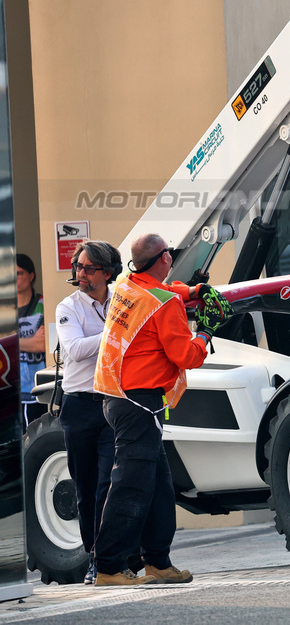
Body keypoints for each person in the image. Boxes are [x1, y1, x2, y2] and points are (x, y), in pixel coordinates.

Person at [92, 235, 210, 587]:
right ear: (163, 258)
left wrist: (192, 292)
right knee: (131, 486)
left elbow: (163, 291)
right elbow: (187, 356)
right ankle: (109, 567)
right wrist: (205, 333)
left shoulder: (128, 283)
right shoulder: (162, 305)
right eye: (170, 253)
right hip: (139, 403)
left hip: (121, 398)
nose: (172, 257)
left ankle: (157, 561)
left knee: (158, 486)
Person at [55, 241, 123, 585]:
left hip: (113, 403)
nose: (80, 274)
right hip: (79, 407)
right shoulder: (67, 306)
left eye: (88, 268)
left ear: (107, 274)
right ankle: (95, 559)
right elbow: (76, 350)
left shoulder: (121, 301)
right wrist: (116, 333)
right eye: (78, 267)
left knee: (109, 485)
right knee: (85, 489)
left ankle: (112, 558)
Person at [16, 253, 47, 428]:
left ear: (31, 275)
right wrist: (29, 342)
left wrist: (11, 342)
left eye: (19, 273)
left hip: (35, 389)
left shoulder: (43, 303)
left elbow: (42, 344)